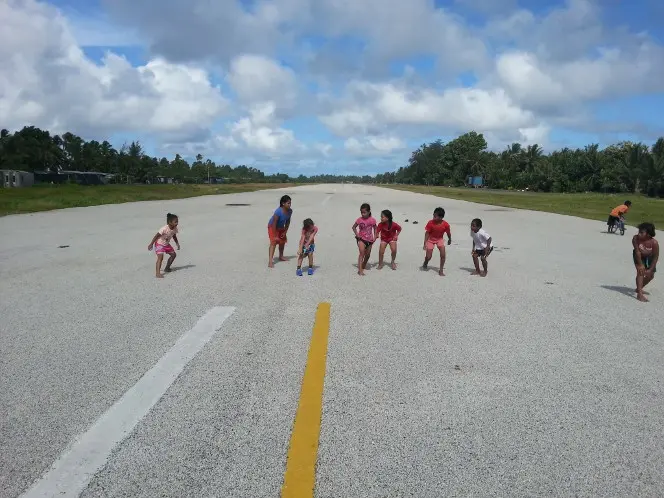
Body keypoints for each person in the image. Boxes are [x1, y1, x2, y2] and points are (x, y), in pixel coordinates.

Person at [148, 212, 180, 278]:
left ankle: (167, 268)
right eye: (175, 222)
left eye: (177, 221)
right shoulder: (164, 229)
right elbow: (156, 236)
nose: (177, 223)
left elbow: (174, 236)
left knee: (173, 255)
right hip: (159, 244)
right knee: (160, 257)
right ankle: (157, 273)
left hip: (166, 244)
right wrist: (151, 244)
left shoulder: (175, 228)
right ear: (170, 222)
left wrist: (177, 244)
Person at [633, 222, 658, 302]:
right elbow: (637, 252)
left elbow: (655, 257)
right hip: (638, 256)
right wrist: (640, 264)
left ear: (649, 234)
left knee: (651, 276)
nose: (639, 234)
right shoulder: (636, 238)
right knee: (640, 271)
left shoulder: (654, 243)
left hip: (649, 257)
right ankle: (639, 294)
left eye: (641, 232)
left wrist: (651, 269)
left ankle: (639, 288)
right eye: (639, 232)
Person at [423, 207, 452, 276]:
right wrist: (425, 243)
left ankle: (441, 270)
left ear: (441, 217)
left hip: (440, 239)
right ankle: (426, 262)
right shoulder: (430, 223)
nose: (433, 217)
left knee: (443, 255)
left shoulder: (446, 224)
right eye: (433, 215)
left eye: (435, 216)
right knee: (429, 256)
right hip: (430, 240)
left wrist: (450, 239)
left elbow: (448, 233)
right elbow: (427, 233)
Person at [352, 203, 377, 276]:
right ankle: (360, 270)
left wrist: (375, 237)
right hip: (361, 239)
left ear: (369, 212)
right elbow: (353, 227)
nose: (362, 214)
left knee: (368, 255)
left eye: (364, 212)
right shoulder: (359, 220)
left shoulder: (372, 220)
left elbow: (375, 228)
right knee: (362, 253)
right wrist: (357, 235)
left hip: (370, 240)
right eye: (361, 212)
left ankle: (363, 265)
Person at [268, 195, 292, 268]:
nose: (290, 204)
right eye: (288, 203)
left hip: (281, 227)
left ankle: (281, 256)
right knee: (274, 242)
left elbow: (288, 222)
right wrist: (275, 236)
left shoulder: (290, 211)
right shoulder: (278, 211)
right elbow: (274, 223)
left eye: (290, 203)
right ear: (283, 203)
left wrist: (285, 231)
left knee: (282, 241)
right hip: (272, 227)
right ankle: (270, 261)